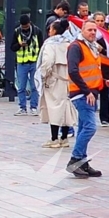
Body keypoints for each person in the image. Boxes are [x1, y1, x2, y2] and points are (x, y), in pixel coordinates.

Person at [65, 21, 109, 178]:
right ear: (82, 31)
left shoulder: (92, 47)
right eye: (89, 30)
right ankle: (75, 159)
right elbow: (73, 70)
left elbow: (92, 70)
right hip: (82, 93)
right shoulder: (76, 47)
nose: (92, 32)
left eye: (94, 30)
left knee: (84, 127)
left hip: (90, 92)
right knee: (90, 127)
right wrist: (86, 91)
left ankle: (82, 163)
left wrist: (105, 80)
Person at [36, 19, 76, 148]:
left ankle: (54, 138)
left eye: (50, 29)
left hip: (54, 79)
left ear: (54, 30)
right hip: (69, 79)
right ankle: (64, 138)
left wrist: (44, 75)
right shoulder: (70, 43)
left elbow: (47, 62)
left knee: (54, 108)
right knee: (66, 108)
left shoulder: (50, 44)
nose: (49, 31)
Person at [12, 14, 43, 116]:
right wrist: (19, 45)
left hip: (34, 62)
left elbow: (41, 46)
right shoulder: (17, 31)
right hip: (22, 62)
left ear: (29, 23)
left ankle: (33, 107)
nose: (24, 28)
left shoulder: (37, 31)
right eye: (22, 26)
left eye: (26, 26)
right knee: (21, 87)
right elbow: (12, 47)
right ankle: (22, 107)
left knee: (35, 86)